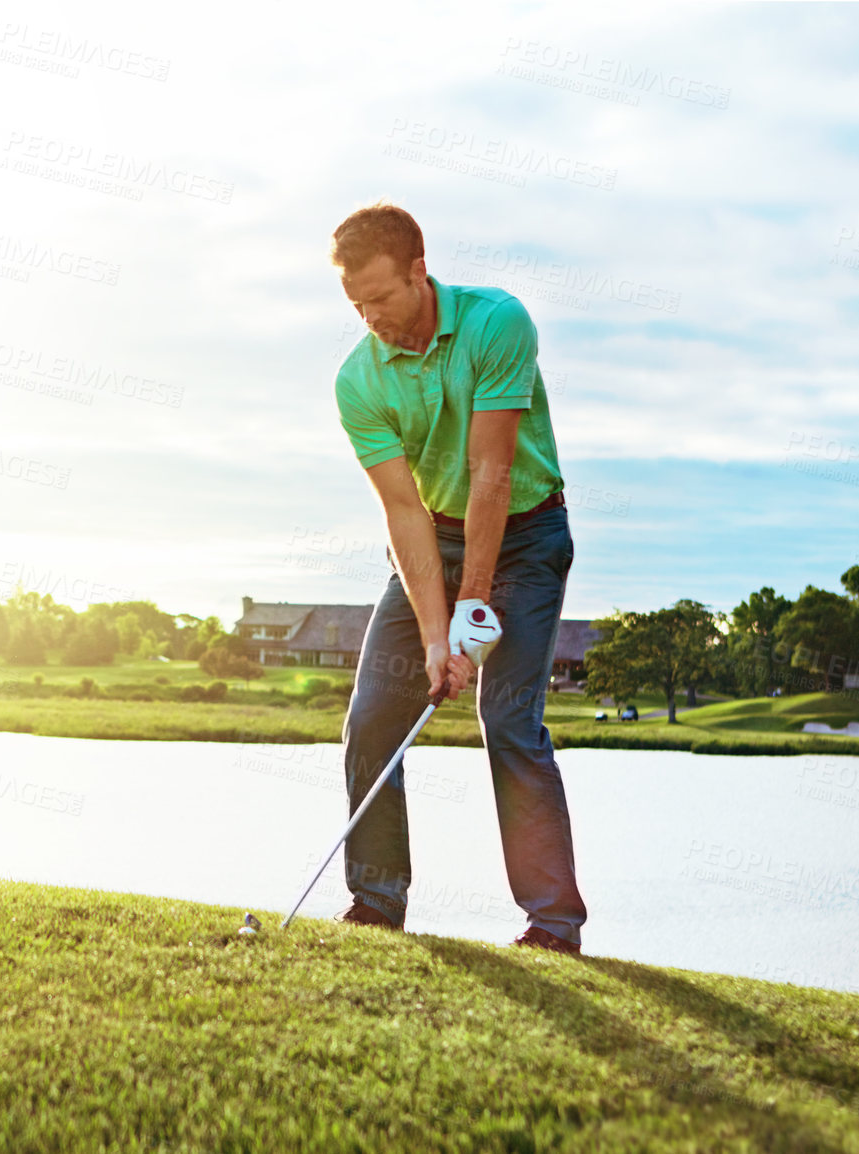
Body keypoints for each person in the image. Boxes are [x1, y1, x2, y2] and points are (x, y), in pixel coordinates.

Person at [327, 201, 586, 954]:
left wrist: (469, 621)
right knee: (374, 718)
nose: (371, 317)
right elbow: (404, 513)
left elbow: (492, 476)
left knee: (508, 721)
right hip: (430, 538)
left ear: (419, 270)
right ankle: (376, 905)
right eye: (356, 305)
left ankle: (553, 925)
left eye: (381, 296)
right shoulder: (358, 382)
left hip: (527, 536)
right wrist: (437, 636)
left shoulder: (497, 323)